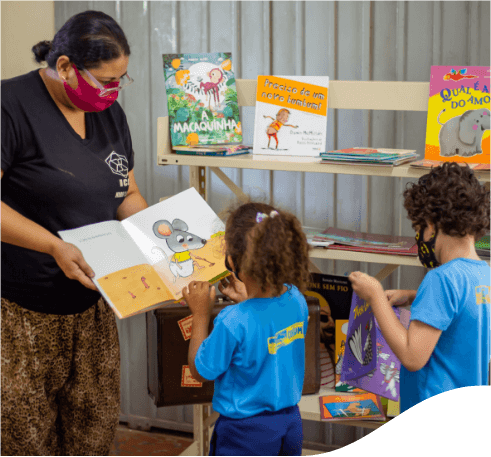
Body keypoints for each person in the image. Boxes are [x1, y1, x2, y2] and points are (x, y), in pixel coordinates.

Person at [0, 10, 148, 456]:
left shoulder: (108, 113)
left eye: (121, 80)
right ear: (64, 66)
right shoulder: (10, 106)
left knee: (93, 434)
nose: (113, 92)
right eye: (105, 81)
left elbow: (127, 193)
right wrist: (53, 245)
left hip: (94, 305)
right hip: (20, 312)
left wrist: (163, 239)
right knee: (25, 439)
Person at [348, 162, 491, 413]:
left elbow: (413, 356)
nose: (420, 238)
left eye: (418, 228)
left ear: (432, 224)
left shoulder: (441, 279)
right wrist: (414, 296)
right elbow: (460, 315)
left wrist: (376, 296)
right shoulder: (484, 275)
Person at [182, 202, 311, 456]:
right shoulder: (297, 300)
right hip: (290, 424)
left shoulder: (232, 321)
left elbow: (200, 370)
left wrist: (200, 316)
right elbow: (269, 327)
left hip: (244, 434)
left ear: (230, 260)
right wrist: (247, 300)